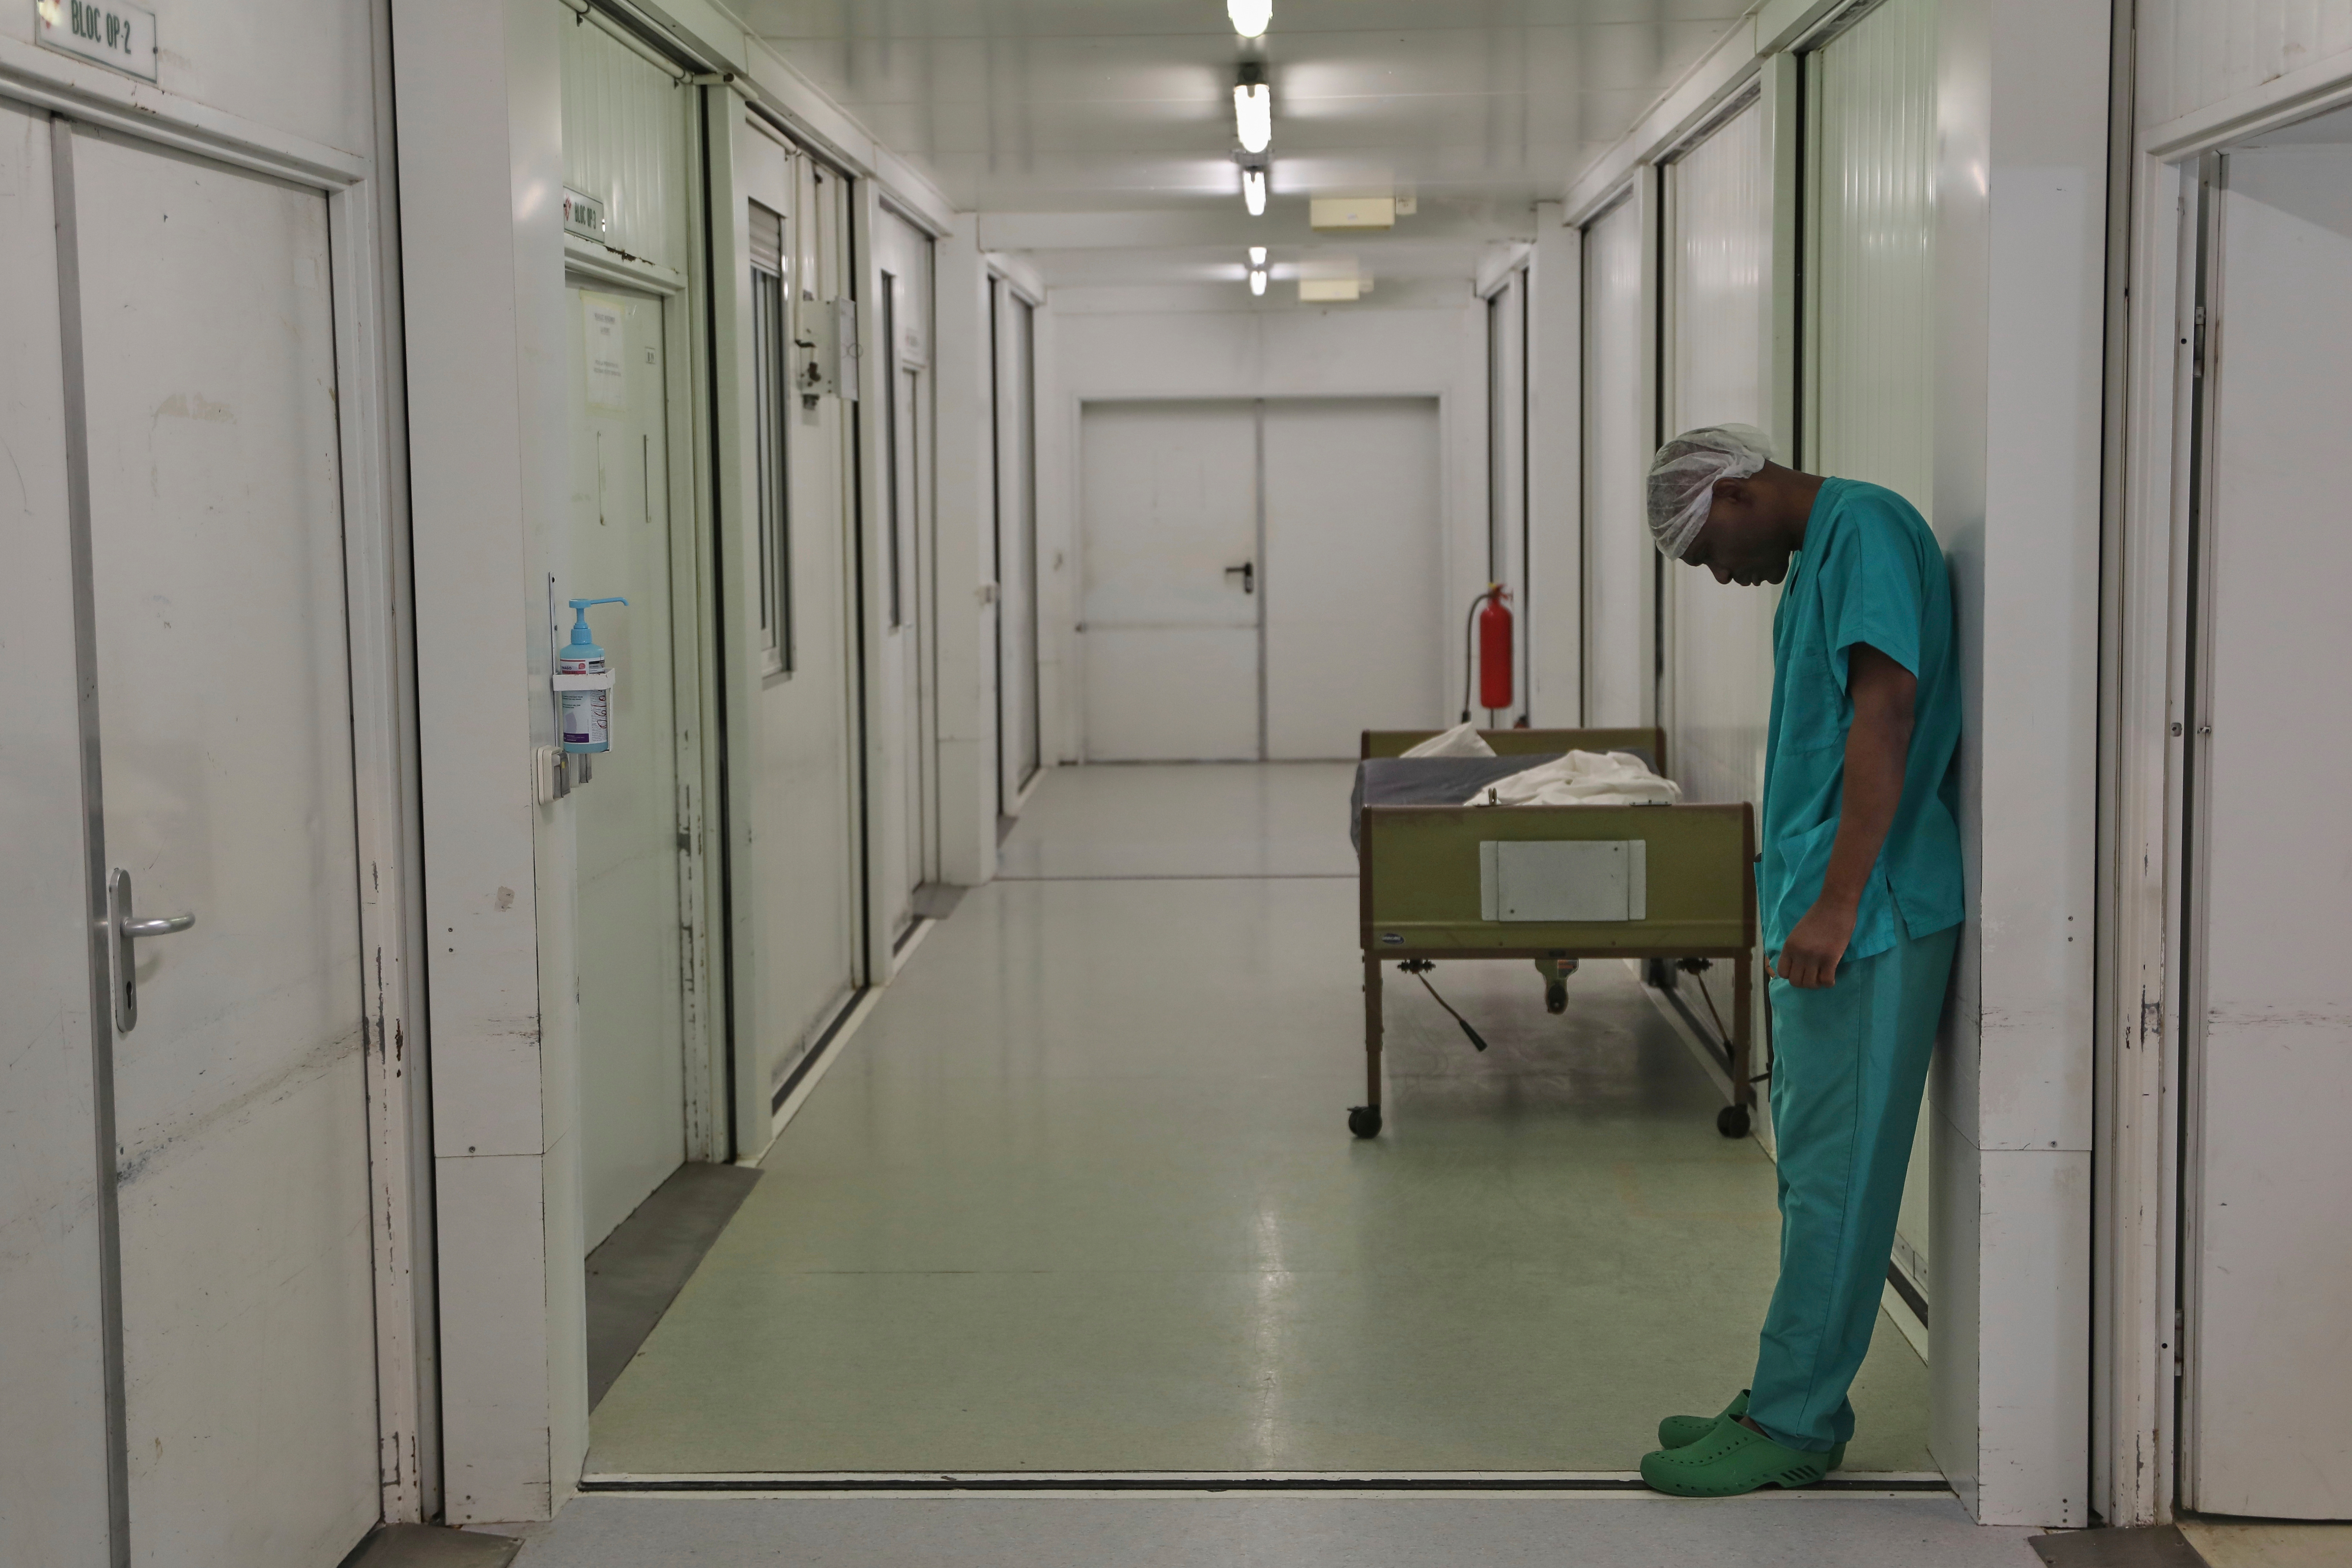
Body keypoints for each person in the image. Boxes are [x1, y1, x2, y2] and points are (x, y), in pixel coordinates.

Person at [1634, 424, 1963, 1498]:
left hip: (1865, 920)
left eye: (1708, 553)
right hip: (1835, 917)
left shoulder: (1863, 529)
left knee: (1836, 1183)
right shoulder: (1823, 556)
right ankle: (1786, 1390)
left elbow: (1889, 713)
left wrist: (1832, 903)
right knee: (1811, 1175)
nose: (1722, 576)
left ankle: (1796, 1421)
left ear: (1735, 491)